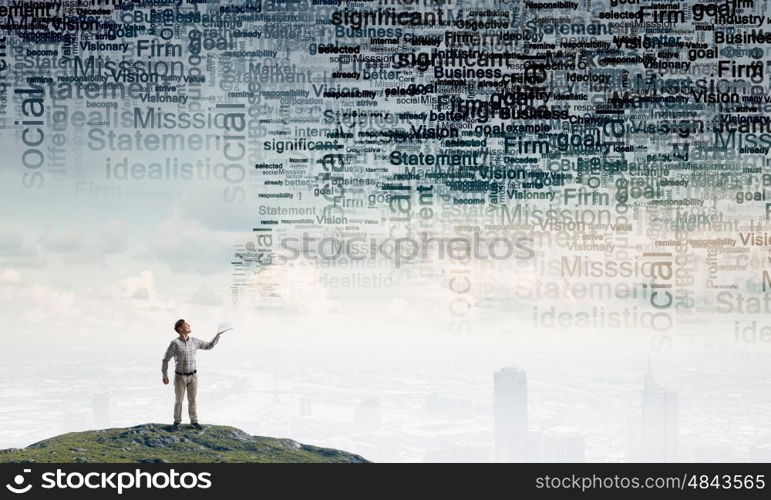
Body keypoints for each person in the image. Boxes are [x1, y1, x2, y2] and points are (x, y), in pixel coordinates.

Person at [161, 319, 222, 431]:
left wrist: (217, 335)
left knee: (192, 400)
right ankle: (177, 422)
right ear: (180, 329)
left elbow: (209, 346)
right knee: (179, 400)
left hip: (193, 376)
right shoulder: (175, 344)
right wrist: (165, 375)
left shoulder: (194, 341)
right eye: (187, 325)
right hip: (180, 377)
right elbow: (165, 360)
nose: (189, 325)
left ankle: (194, 421)